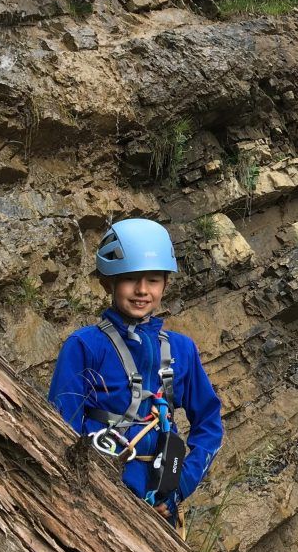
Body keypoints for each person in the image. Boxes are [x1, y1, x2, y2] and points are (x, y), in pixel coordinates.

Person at [48, 217, 223, 530]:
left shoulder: (182, 350)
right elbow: (61, 428)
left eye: (153, 280)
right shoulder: (85, 346)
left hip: (160, 508)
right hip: (97, 499)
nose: (142, 290)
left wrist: (180, 486)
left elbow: (209, 424)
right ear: (109, 283)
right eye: (130, 279)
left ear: (165, 284)